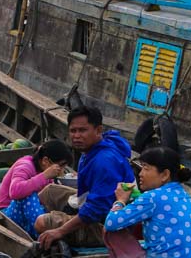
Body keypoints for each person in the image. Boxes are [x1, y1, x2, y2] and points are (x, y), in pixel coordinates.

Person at [35, 106, 133, 249]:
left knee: (41, 222)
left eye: (82, 130)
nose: (76, 136)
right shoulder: (92, 149)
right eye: (73, 131)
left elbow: (95, 210)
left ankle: (44, 238)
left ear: (98, 130)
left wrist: (60, 231)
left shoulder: (104, 161)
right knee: (49, 191)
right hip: (93, 208)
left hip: (108, 228)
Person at [0, 139, 72, 236]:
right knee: (28, 195)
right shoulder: (25, 165)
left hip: (28, 215)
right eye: (61, 166)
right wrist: (44, 176)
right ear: (45, 161)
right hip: (6, 213)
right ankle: (40, 233)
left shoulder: (46, 171)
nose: (62, 170)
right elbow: (15, 191)